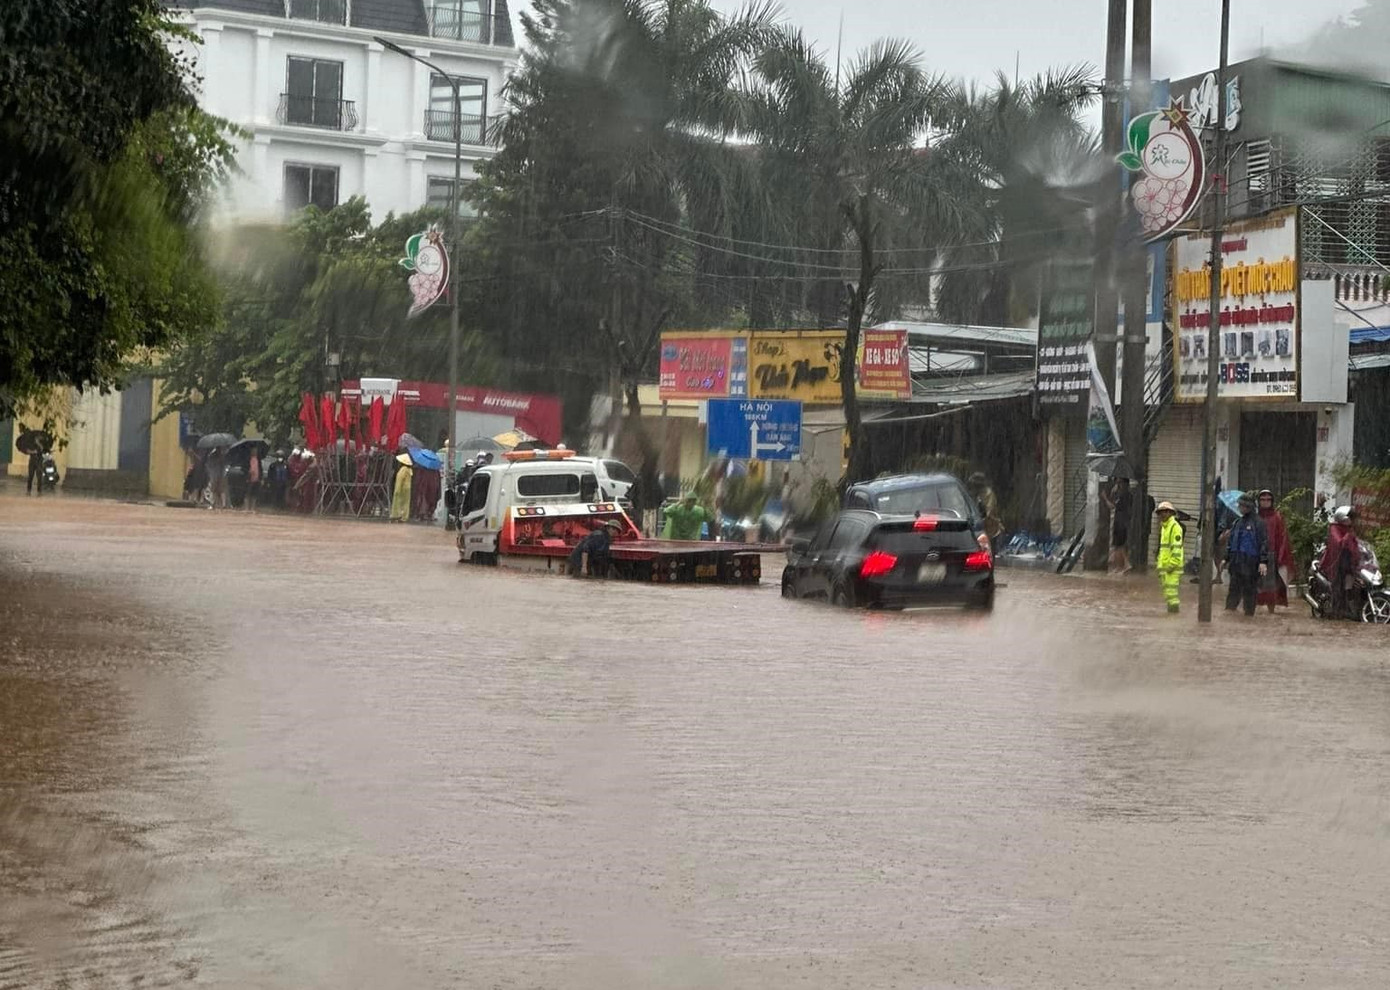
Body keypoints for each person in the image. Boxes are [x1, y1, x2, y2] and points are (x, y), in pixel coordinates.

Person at [1224, 492, 1270, 616]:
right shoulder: (1237, 523)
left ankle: (1248, 616)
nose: (1239, 507)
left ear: (1248, 507)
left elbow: (1264, 543)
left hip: (1250, 563)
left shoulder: (1258, 523)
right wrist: (1226, 558)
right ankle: (1230, 614)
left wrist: (1263, 561)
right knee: (1233, 591)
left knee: (1249, 592)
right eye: (1239, 505)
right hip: (1236, 563)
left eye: (1241, 505)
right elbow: (1231, 542)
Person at [1255, 488, 1295, 613]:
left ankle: (1270, 611)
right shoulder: (1255, 518)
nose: (1265, 502)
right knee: (1253, 584)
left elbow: (1283, 537)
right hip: (1254, 555)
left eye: (1268, 500)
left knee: (1270, 586)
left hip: (1271, 555)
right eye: (1262, 500)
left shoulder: (1277, 517)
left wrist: (1281, 556)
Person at [1321, 505, 1358, 619]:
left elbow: (1355, 545)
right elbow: (1338, 543)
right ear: (1343, 518)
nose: (1352, 520)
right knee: (1337, 586)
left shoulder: (1349, 530)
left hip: (1348, 563)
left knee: (1351, 585)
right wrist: (1347, 536)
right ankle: (1335, 610)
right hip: (1336, 562)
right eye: (1350, 517)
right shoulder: (1334, 528)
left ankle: (1349, 609)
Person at [1155, 501, 1184, 614]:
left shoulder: (1175, 527)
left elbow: (1177, 549)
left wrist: (1171, 565)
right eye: (1160, 512)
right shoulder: (1164, 527)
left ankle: (1173, 614)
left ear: (1170, 513)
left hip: (1172, 568)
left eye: (1164, 512)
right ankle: (1171, 616)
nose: (1162, 515)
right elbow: (1163, 549)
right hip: (1165, 568)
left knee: (1172, 596)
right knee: (1168, 595)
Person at [1102, 477, 1133, 574]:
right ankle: (1120, 567)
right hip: (1121, 521)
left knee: (1118, 545)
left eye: (1119, 482)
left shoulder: (1124, 495)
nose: (1118, 484)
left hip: (1120, 522)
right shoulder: (1127, 495)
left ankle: (1123, 566)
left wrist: (1105, 497)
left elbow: (1112, 506)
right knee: (1118, 546)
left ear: (1125, 484)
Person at [968, 472, 1004, 550]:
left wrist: (982, 520)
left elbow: (989, 511)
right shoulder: (978, 494)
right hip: (981, 528)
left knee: (990, 551)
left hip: (991, 529)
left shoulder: (988, 494)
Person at [390, 453, 413, 522]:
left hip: (401, 488)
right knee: (406, 503)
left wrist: (397, 490)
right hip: (407, 489)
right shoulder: (409, 470)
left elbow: (399, 480)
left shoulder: (402, 470)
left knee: (397, 501)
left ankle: (396, 515)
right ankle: (404, 516)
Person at [206, 446, 229, 510]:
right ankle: (217, 504)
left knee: (216, 490)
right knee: (217, 490)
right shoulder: (214, 456)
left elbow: (209, 465)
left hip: (217, 474)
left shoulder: (220, 456)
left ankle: (217, 504)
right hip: (218, 474)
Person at [244, 447, 262, 513]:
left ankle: (252, 508)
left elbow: (260, 469)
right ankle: (246, 508)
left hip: (256, 479)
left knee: (254, 494)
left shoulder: (258, 460)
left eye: (256, 451)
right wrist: (248, 475)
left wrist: (260, 478)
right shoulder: (248, 459)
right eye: (254, 451)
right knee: (248, 493)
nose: (255, 452)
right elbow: (246, 468)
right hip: (250, 479)